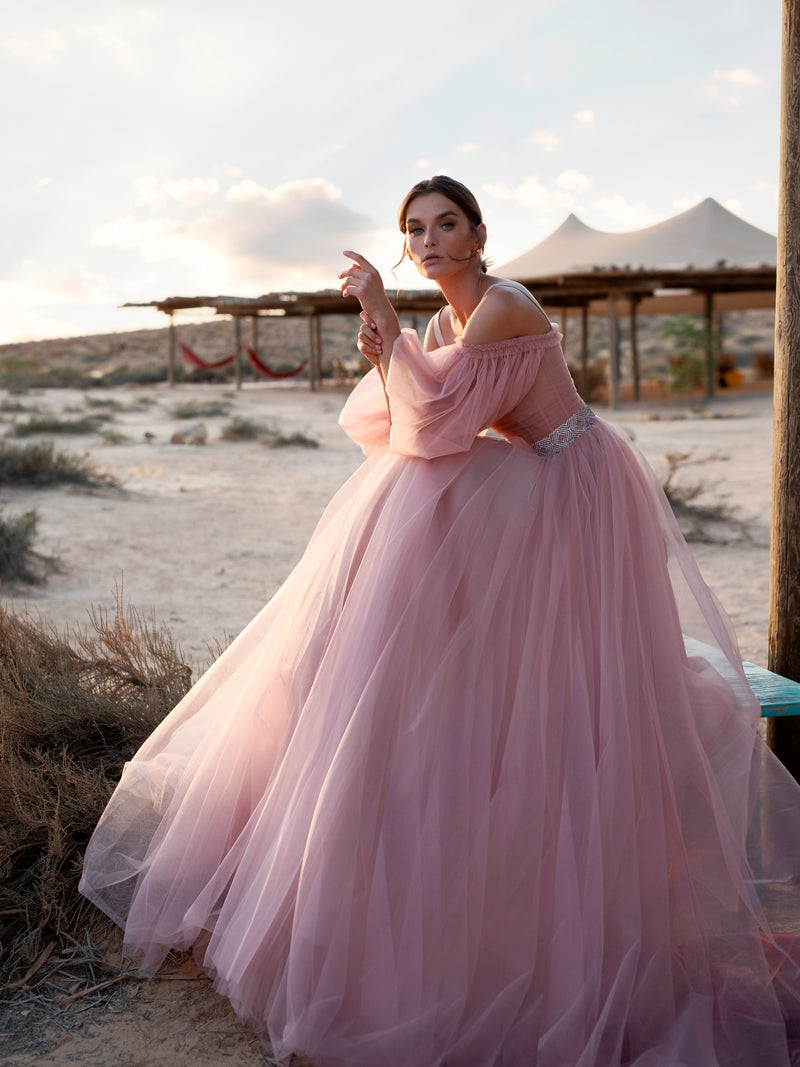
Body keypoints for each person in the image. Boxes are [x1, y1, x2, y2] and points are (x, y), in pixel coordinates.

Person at [81, 176, 800, 1067]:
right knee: (405, 498)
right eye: (413, 229)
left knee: (428, 501)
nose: (427, 241)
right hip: (522, 485)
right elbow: (403, 424)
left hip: (572, 484)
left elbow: (430, 433)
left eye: (444, 225)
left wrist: (383, 314)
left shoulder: (501, 308)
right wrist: (388, 344)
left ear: (477, 233)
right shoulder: (446, 329)